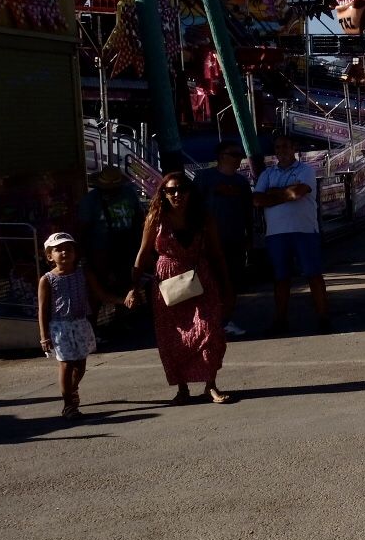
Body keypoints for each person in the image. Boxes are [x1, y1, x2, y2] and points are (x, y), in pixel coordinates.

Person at [130, 171, 231, 406]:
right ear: (163, 194)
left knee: (209, 330)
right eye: (171, 190)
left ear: (191, 193)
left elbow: (217, 253)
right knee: (173, 337)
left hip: (200, 277)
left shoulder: (203, 218)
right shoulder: (156, 218)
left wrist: (228, 287)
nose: (177, 194)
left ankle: (210, 384)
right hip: (167, 281)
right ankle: (182, 388)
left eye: (182, 190)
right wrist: (133, 286)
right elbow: (143, 253)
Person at [253, 133, 330, 336]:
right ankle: (280, 320)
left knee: (313, 274)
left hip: (304, 230)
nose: (282, 151)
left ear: (293, 148)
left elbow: (298, 193)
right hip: (276, 233)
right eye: (278, 147)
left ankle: (323, 317)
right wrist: (286, 193)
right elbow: (258, 200)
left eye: (285, 147)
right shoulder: (267, 174)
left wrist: (274, 194)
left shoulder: (306, 170)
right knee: (280, 278)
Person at [37, 232, 120, 418]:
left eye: (68, 248)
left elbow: (101, 294)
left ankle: (72, 390)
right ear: (50, 256)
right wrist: (44, 336)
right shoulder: (47, 280)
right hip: (60, 327)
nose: (64, 252)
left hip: (81, 324)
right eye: (58, 249)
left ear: (75, 252)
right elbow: (42, 309)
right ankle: (69, 405)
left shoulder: (83, 274)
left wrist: (123, 301)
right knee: (66, 365)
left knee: (80, 365)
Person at [195, 140, 253, 338]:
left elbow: (248, 214)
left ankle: (225, 320)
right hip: (209, 243)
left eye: (240, 154)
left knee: (231, 283)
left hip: (234, 240)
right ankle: (208, 322)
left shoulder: (242, 183)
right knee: (208, 284)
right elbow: (193, 209)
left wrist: (249, 238)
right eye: (234, 154)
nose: (239, 158)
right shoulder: (204, 178)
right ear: (221, 156)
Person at [76, 166, 146, 316]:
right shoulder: (91, 200)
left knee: (126, 283)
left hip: (127, 246)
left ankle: (123, 318)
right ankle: (93, 322)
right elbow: (82, 229)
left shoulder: (128, 193)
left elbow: (139, 217)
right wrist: (82, 254)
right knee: (99, 287)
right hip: (100, 250)